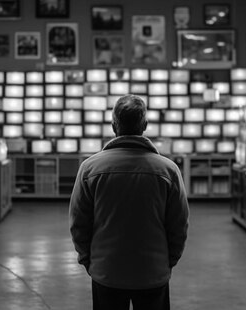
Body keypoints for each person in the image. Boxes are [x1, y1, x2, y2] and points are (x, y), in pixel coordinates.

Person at [69, 94, 189, 310]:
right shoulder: (168, 170)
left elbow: (79, 223)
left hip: (106, 271)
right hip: (153, 271)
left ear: (113, 124)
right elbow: (179, 224)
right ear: (145, 125)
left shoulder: (89, 169)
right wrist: (167, 261)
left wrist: (89, 261)